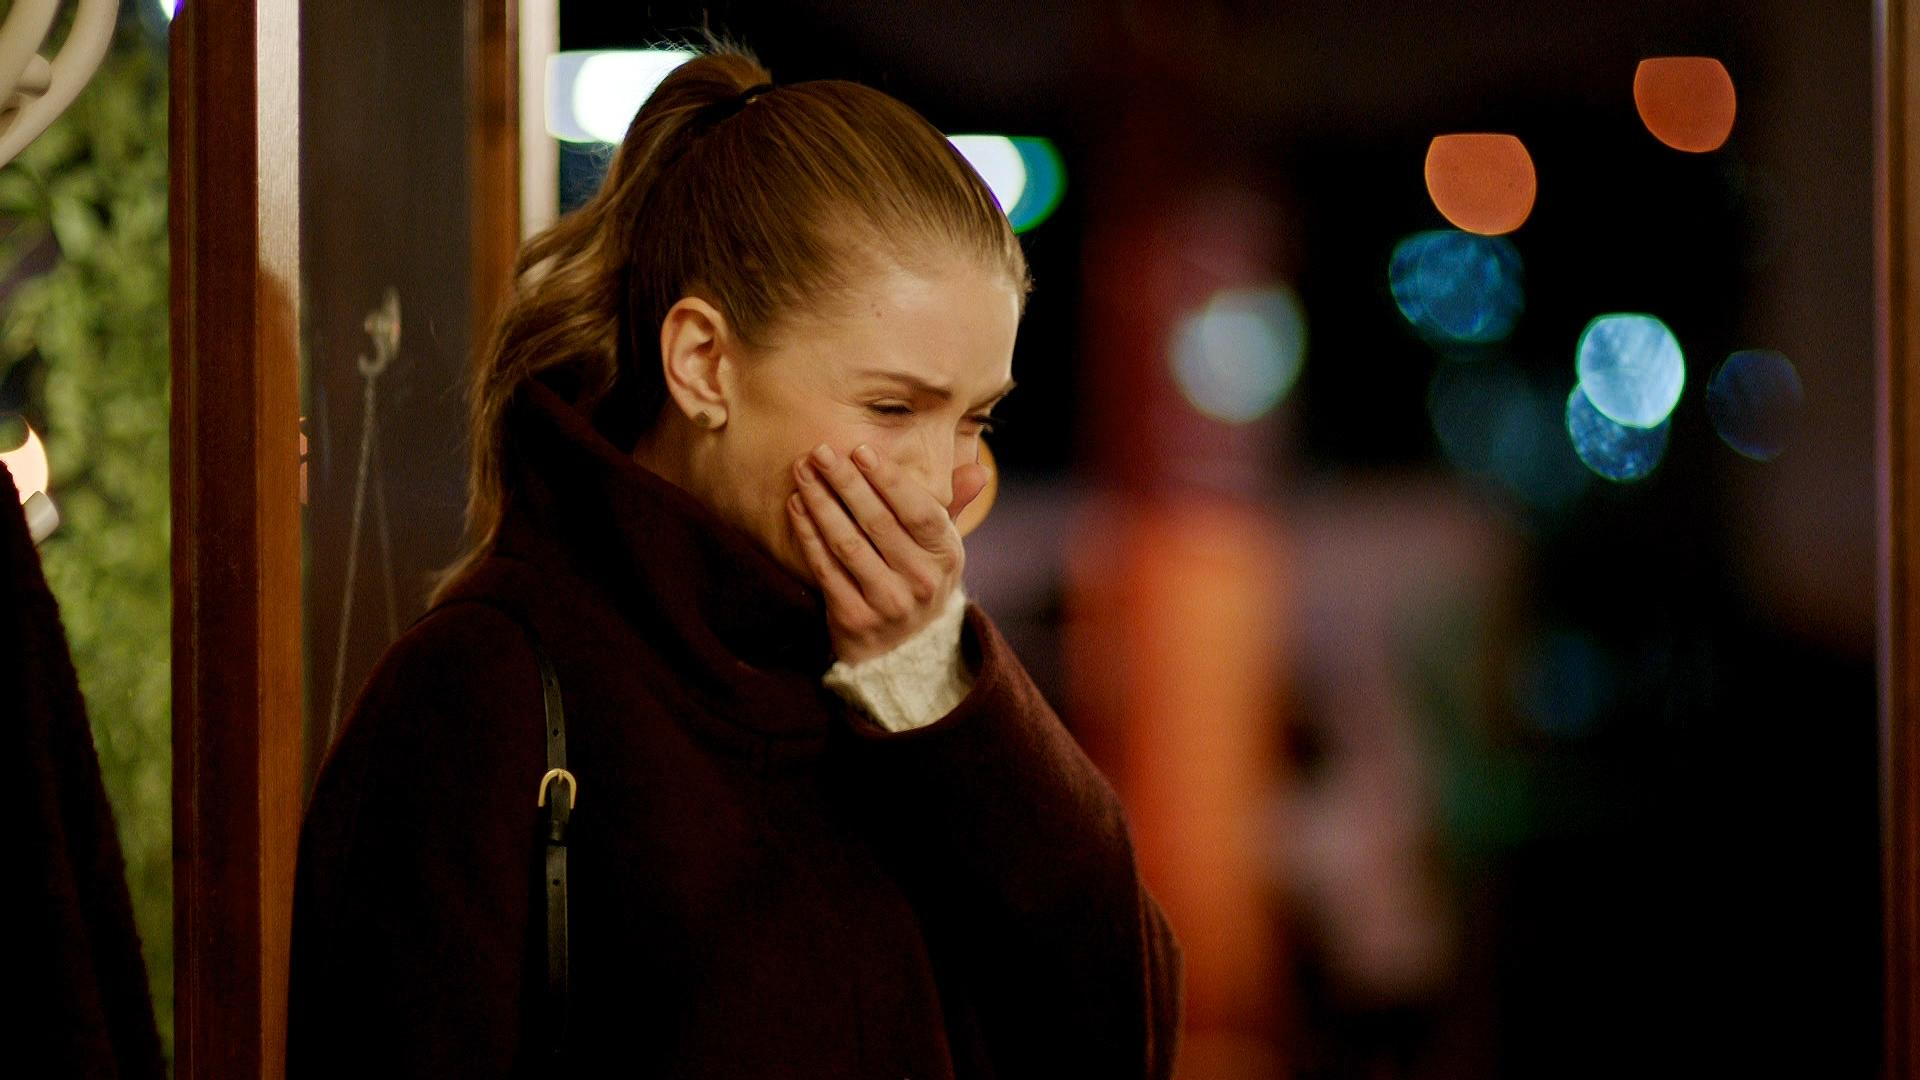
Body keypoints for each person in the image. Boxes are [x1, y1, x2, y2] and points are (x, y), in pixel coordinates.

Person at [286, 42, 1184, 1078]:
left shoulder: (918, 696)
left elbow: (1124, 1035)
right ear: (704, 363)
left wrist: (938, 694)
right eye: (894, 408)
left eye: (976, 419)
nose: (946, 481)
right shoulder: (481, 692)